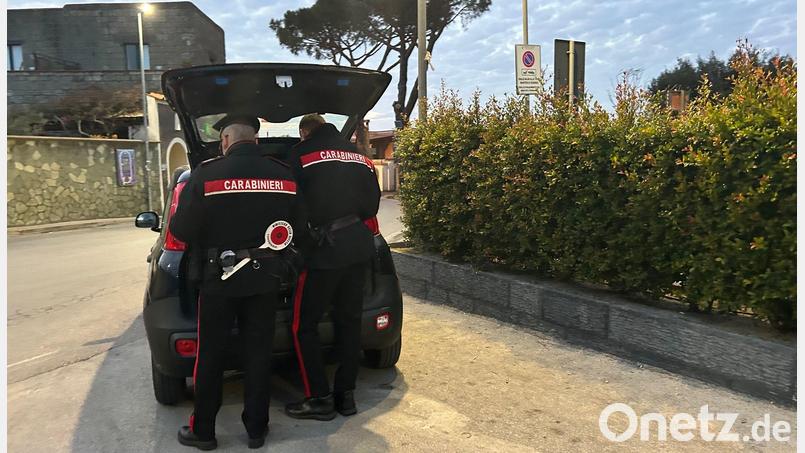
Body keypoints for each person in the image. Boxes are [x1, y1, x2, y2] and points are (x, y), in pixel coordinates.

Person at [171, 114, 304, 450]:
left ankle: (203, 432)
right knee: (258, 353)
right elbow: (298, 227)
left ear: (226, 141)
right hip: (266, 278)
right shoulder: (283, 175)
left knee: (211, 355)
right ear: (256, 141)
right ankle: (257, 429)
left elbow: (182, 230)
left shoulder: (207, 174)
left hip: (219, 280)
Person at [284, 113, 381, 420]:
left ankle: (318, 398)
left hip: (322, 251)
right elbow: (372, 206)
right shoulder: (361, 157)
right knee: (350, 321)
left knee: (305, 325)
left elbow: (288, 204)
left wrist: (303, 240)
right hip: (358, 247)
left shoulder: (301, 156)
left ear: (304, 133)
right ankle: (346, 396)